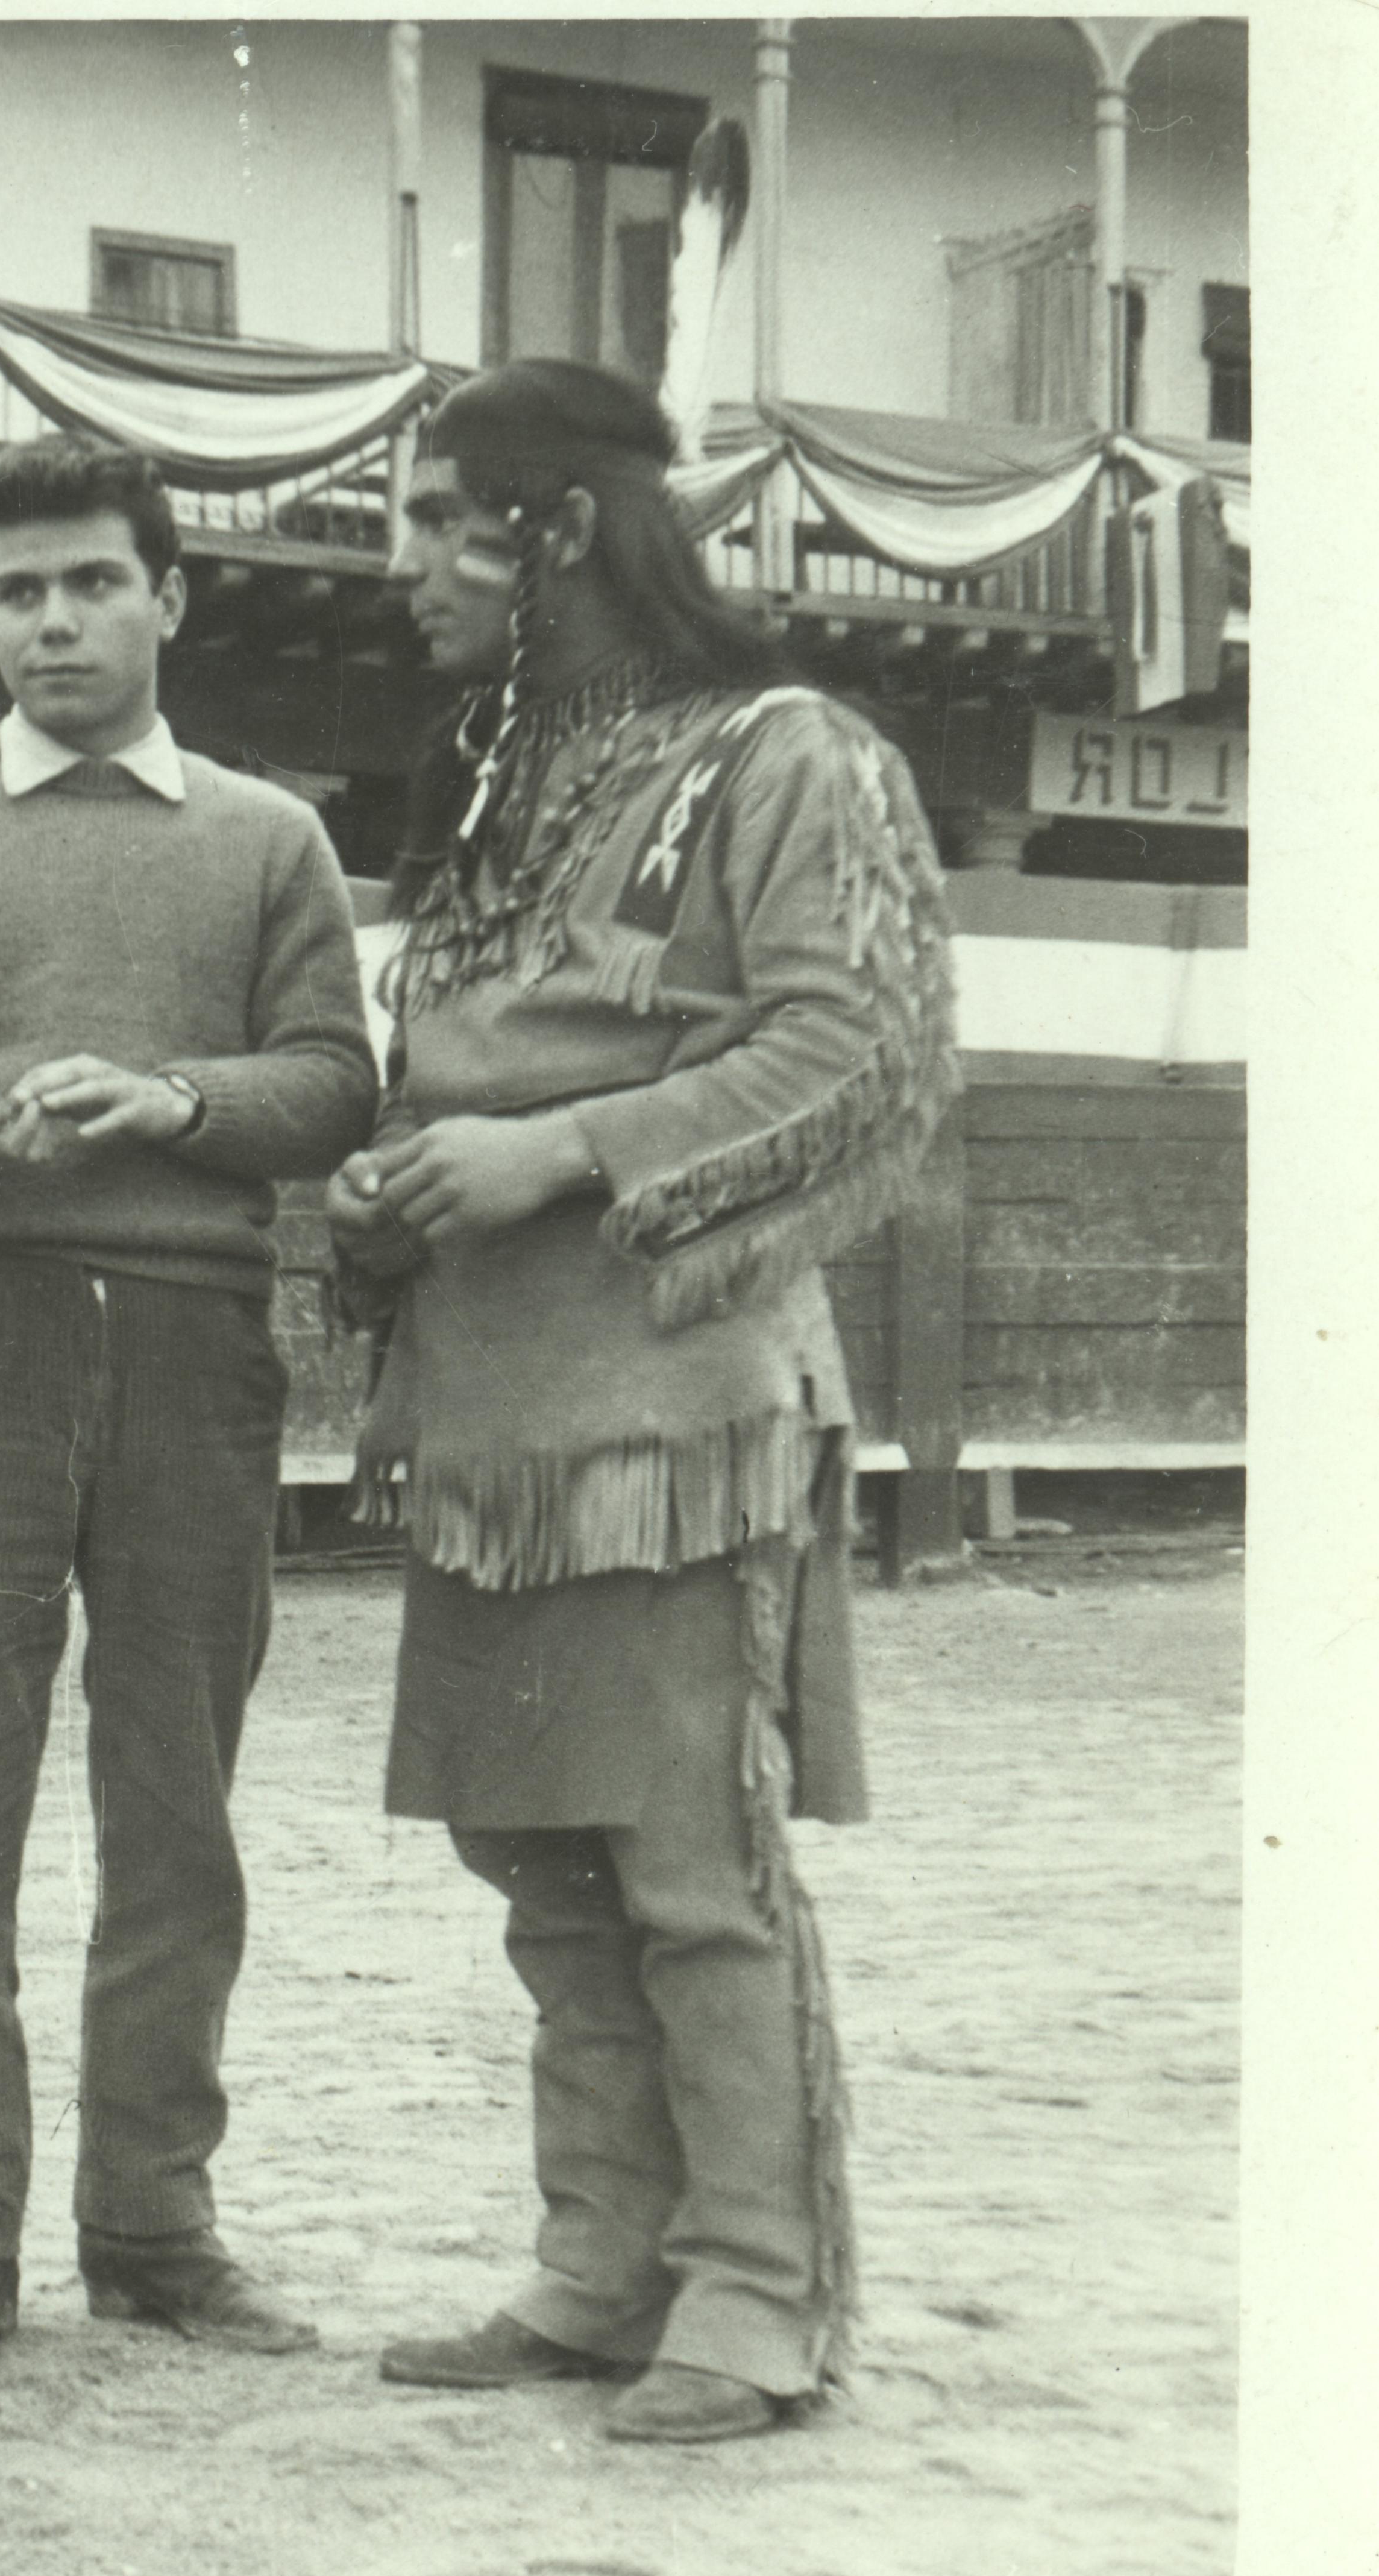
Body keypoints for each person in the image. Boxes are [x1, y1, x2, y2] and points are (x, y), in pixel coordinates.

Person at [339, 361, 958, 2445]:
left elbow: (847, 1051)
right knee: (537, 1864)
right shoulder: (500, 784)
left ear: (566, 531)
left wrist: (559, 1153)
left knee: (690, 1866)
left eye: (443, 522)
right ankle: (603, 2262)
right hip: (493, 1417)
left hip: (679, 1406)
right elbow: (456, 1072)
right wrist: (400, 1178)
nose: (405, 566)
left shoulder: (788, 752)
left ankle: (758, 2296)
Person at [0, 436, 379, 2396]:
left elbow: (333, 1083)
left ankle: (152, 2232)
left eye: (90, 584)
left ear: (167, 597)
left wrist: (182, 1105)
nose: (52, 622)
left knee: (174, 1814)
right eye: (19, 591)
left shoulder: (267, 838)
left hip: (201, 1349)